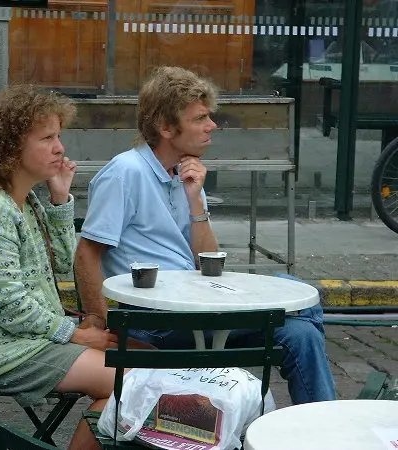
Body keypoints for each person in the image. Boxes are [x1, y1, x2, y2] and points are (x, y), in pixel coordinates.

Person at [74, 66, 337, 405]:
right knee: (305, 308)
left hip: (193, 307)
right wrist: (106, 324)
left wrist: (196, 201)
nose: (212, 126)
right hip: (155, 322)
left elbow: (206, 262)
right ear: (166, 127)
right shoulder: (126, 172)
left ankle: (319, 434)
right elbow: (86, 254)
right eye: (200, 118)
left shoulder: (180, 172)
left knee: (301, 334)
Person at [0, 85, 118, 449]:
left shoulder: (22, 198)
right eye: (47, 138)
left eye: (59, 136)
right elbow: (8, 305)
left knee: (140, 360)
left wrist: (58, 198)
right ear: (10, 148)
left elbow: (63, 262)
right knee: (127, 382)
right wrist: (74, 334)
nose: (60, 148)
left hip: (26, 336)